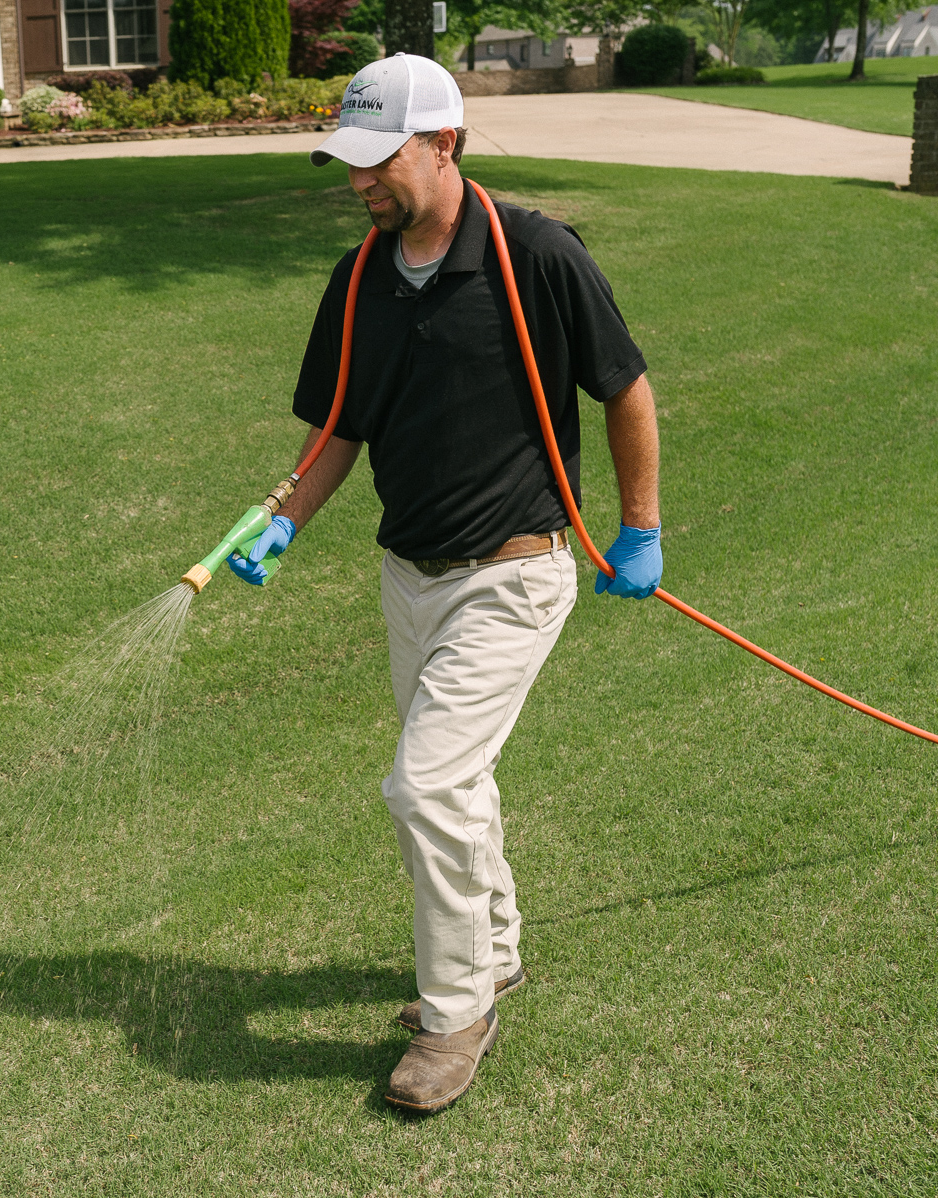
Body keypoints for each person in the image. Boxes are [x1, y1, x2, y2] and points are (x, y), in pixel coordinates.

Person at [227, 53, 664, 1114]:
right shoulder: (361, 276)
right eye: (349, 163)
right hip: (406, 575)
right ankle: (497, 948)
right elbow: (340, 424)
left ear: (446, 144)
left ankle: (460, 1009)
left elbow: (626, 388)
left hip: (514, 575)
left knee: (424, 786)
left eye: (380, 161)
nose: (361, 183)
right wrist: (280, 519)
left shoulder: (539, 254)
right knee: (456, 784)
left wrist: (640, 529)